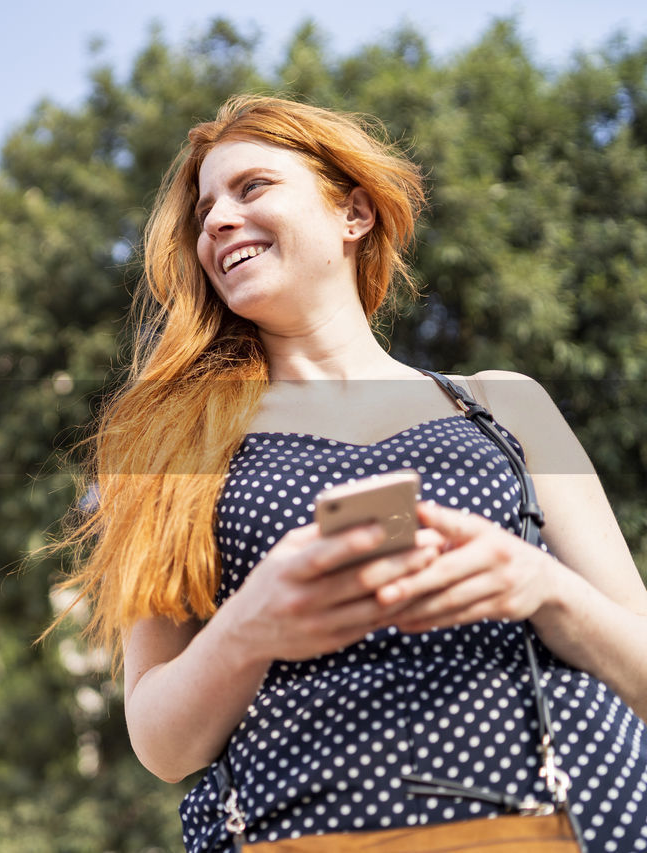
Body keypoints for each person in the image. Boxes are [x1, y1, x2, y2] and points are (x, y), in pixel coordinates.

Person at [57, 95, 647, 850]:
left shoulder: (507, 406)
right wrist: (249, 624)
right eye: (204, 209)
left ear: (354, 214)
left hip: (560, 823)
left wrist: (540, 584)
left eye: (252, 187)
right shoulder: (172, 448)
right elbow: (162, 744)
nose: (216, 221)